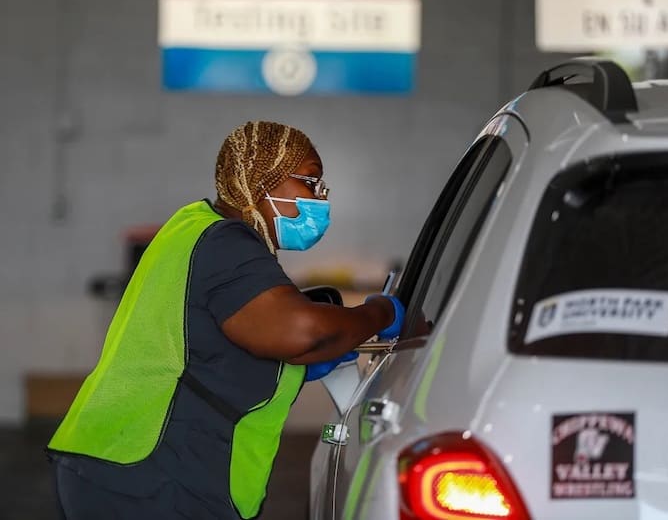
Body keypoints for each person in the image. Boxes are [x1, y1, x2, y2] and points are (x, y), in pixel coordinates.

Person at [47, 120, 405, 520]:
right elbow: (300, 332)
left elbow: (206, 345)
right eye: (311, 182)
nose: (319, 199)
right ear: (264, 180)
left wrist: (292, 372)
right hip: (150, 477)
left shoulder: (192, 225)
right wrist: (382, 313)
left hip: (113, 464)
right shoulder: (225, 243)